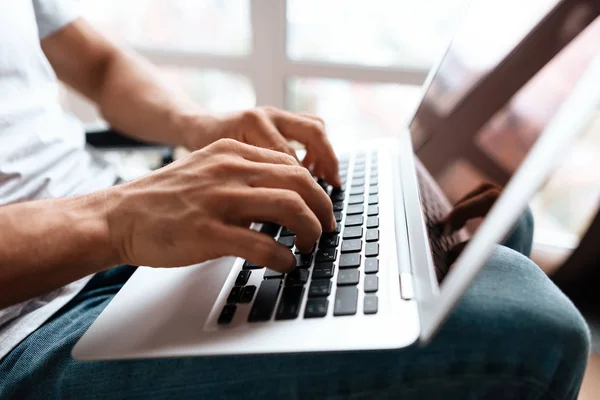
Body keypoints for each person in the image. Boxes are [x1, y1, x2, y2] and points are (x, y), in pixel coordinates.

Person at [0, 1, 590, 398]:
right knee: (530, 326)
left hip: (120, 216)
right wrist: (116, 218)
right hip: (30, 321)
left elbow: (98, 66)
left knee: (473, 223)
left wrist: (199, 122)